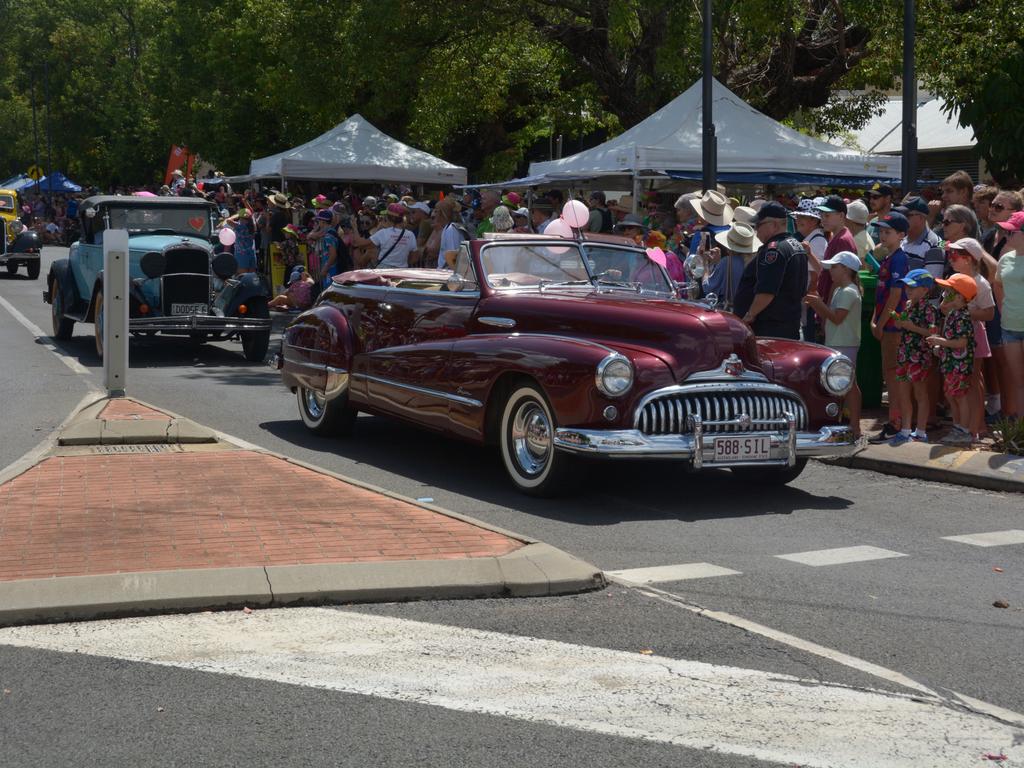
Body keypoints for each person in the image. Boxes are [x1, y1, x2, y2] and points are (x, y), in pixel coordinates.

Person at [804, 251, 864, 438]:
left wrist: (817, 303)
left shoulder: (848, 291)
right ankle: (847, 424)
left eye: (835, 267)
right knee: (844, 385)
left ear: (846, 269)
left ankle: (854, 426)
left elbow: (837, 318)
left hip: (845, 343)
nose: (830, 271)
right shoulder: (841, 290)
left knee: (848, 386)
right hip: (838, 342)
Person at [732, 202, 808, 339]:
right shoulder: (796, 245)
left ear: (773, 225)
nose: (756, 230)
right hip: (787, 325)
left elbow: (767, 291)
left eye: (758, 225)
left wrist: (749, 315)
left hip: (770, 329)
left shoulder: (774, 250)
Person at [868, 212, 912, 443]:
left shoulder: (898, 259)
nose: (882, 235)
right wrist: (875, 320)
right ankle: (894, 421)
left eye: (888, 232)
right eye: (881, 231)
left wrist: (881, 323)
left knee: (893, 376)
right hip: (887, 324)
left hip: (893, 327)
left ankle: (896, 423)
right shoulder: (888, 257)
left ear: (901, 235)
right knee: (890, 375)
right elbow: (881, 294)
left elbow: (895, 295)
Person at [947, 238, 995, 437]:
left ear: (968, 259)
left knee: (973, 381)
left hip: (974, 335)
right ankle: (962, 425)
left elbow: (989, 313)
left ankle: (976, 426)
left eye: (955, 255)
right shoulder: (954, 279)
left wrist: (963, 312)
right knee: (958, 382)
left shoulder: (981, 284)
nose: (951, 258)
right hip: (955, 335)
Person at [887, 269, 940, 444]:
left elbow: (932, 332)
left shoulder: (930, 309)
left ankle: (921, 431)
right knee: (903, 393)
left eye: (912, 286)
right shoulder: (908, 305)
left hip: (920, 356)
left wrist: (910, 326)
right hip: (905, 354)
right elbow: (906, 326)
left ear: (925, 290)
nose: (908, 290)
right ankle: (905, 429)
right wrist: (900, 323)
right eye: (907, 286)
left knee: (920, 394)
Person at [927, 274, 978, 444]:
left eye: (949, 291)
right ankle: (957, 427)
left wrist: (941, 342)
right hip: (951, 363)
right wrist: (940, 347)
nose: (945, 294)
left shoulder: (963, 317)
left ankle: (963, 430)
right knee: (951, 395)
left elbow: (962, 342)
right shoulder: (953, 313)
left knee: (959, 396)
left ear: (959, 296)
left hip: (960, 365)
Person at [993, 210, 1024, 418]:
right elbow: (998, 285)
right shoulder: (1005, 259)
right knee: (1018, 382)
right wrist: (1004, 310)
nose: (1008, 236)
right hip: (1010, 328)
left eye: (1012, 233)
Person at [707, 221, 760, 310]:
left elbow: (709, 288)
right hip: (750, 312)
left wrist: (705, 265)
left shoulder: (726, 262)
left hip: (733, 313)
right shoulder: (757, 261)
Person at [347, 203, 418, 269]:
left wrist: (354, 227)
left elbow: (358, 243)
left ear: (389, 218)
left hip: (384, 271)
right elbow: (414, 258)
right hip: (401, 272)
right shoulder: (410, 235)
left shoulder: (383, 233)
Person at [901, 196, 945, 277]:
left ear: (921, 217)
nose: (902, 218)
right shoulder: (901, 239)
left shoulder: (936, 245)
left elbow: (931, 284)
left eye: (907, 215)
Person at [867, 183, 895, 258]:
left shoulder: (895, 223)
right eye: (870, 197)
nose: (871, 200)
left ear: (888, 198)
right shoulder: (872, 221)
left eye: (875, 197)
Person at [225, 207, 257, 273]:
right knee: (251, 277)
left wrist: (237, 215)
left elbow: (228, 220)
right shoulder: (253, 225)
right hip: (252, 253)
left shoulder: (240, 226)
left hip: (241, 255)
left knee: (242, 278)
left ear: (241, 217)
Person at [845, 200, 875, 266]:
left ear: (850, 220)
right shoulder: (864, 235)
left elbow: (857, 267)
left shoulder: (856, 241)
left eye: (845, 218)